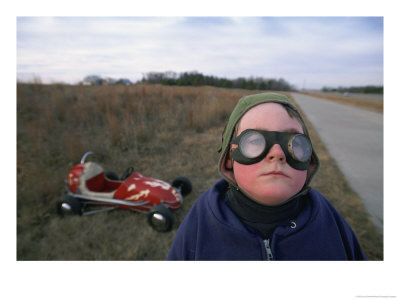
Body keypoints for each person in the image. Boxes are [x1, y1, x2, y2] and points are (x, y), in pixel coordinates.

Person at [167, 92, 366, 260]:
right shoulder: (199, 226)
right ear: (229, 159)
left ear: (308, 161)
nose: (278, 153)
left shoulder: (331, 227)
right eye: (254, 140)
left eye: (294, 143)